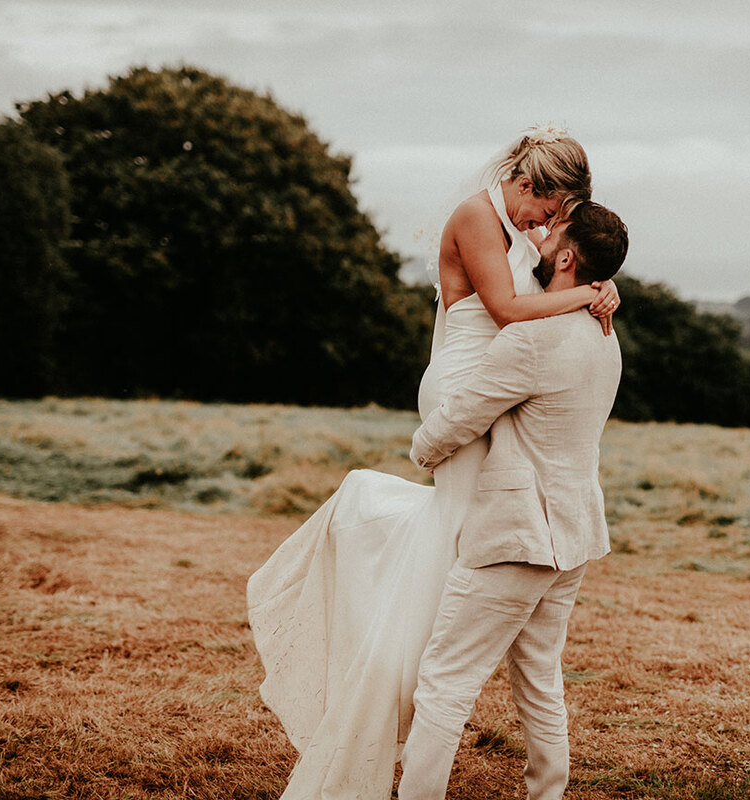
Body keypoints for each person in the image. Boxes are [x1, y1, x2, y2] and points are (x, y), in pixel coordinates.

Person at [246, 127, 618, 799]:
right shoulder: (479, 215)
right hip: (466, 385)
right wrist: (584, 295)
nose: (542, 231)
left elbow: (542, 299)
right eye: (545, 214)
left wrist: (597, 287)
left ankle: (416, 679)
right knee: (466, 546)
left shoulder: (523, 232)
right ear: (529, 187)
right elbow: (507, 310)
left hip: (501, 383)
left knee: (458, 548)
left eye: (554, 227)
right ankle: (394, 682)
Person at [397, 199, 628, 800]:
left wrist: (420, 450)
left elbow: (462, 418)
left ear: (569, 258)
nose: (543, 237)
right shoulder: (606, 338)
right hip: (573, 537)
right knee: (540, 680)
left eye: (555, 235)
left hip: (517, 537)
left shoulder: (531, 340)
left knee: (444, 681)